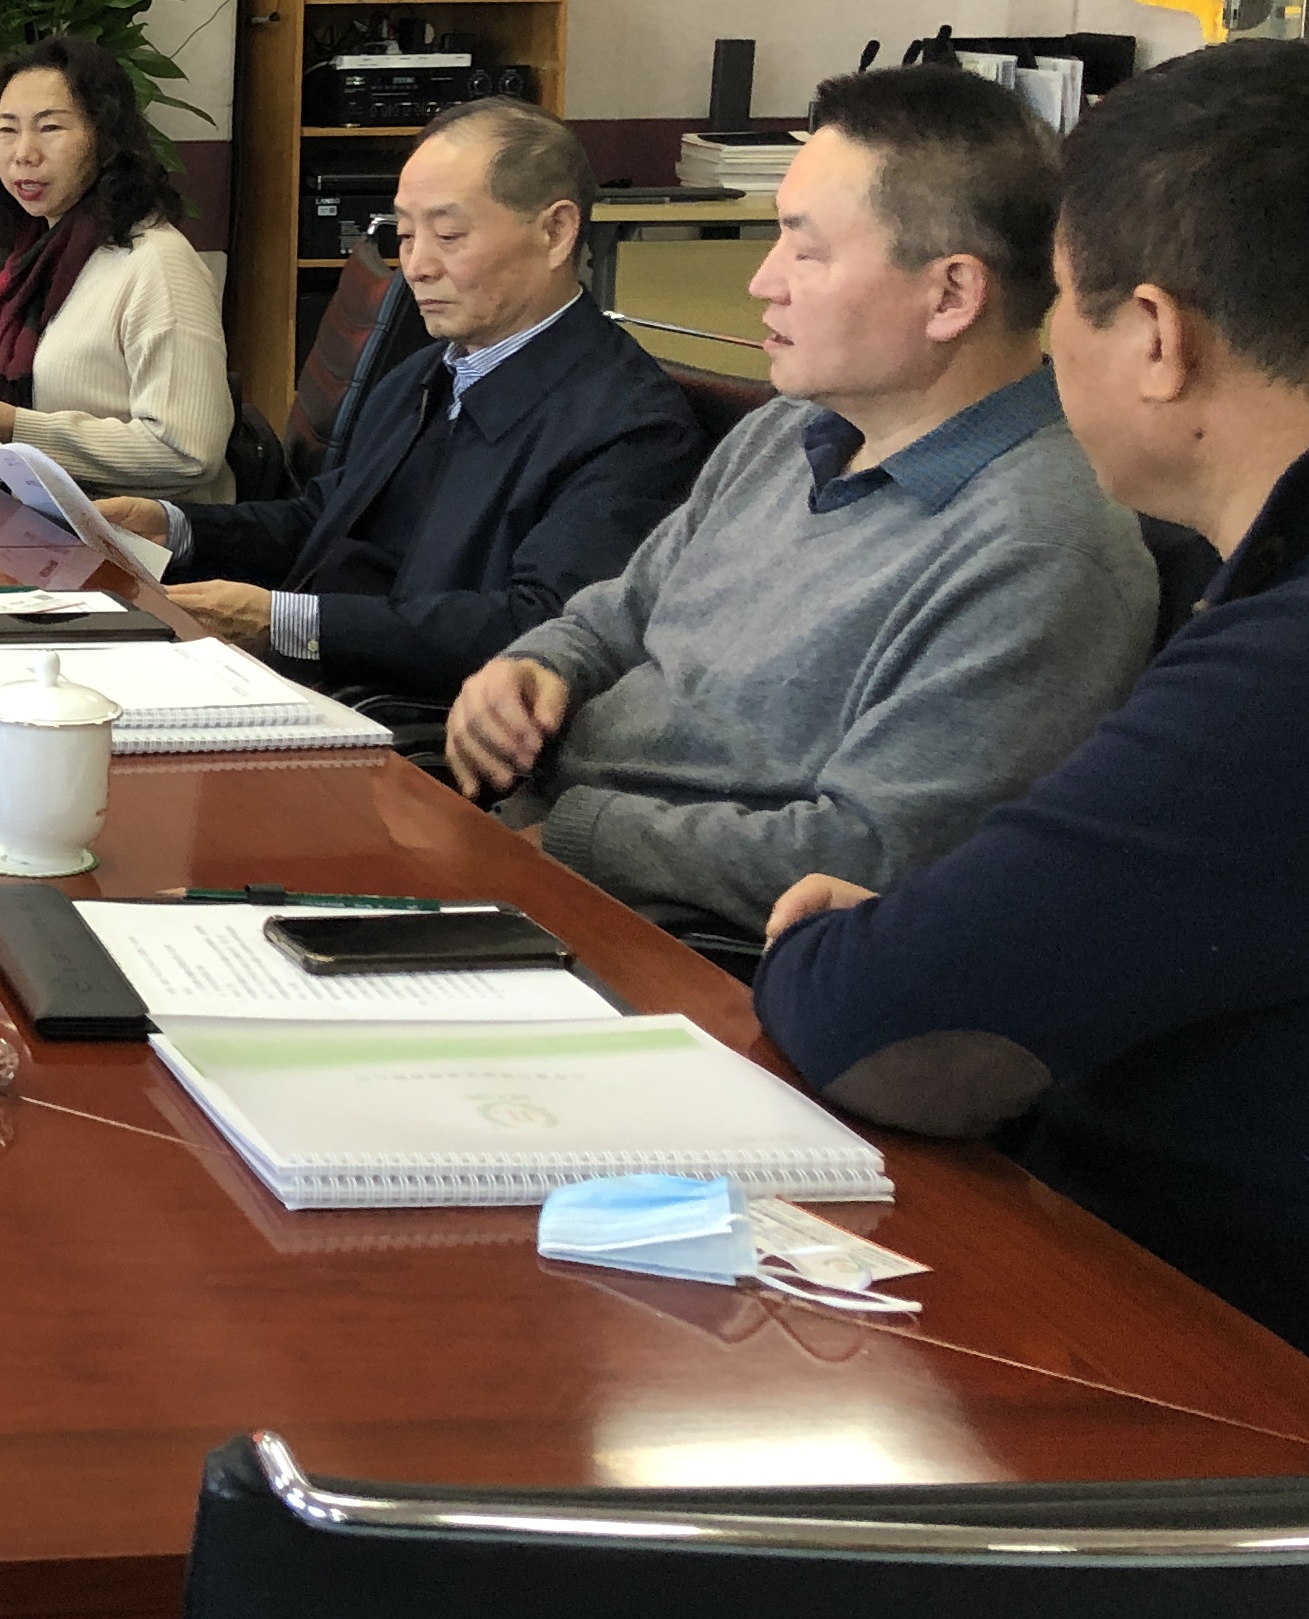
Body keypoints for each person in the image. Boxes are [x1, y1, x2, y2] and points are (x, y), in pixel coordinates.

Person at [756, 40, 1309, 1464]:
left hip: (1254, 1440)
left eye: (1062, 301)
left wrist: (851, 941)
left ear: (1160, 337)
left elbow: (878, 1019)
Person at [446, 68, 1153, 954]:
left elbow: (872, 852)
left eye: (805, 252)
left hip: (677, 942)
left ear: (951, 296)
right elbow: (620, 615)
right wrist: (537, 665)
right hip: (541, 849)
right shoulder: (790, 432)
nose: (764, 281)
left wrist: (585, 833)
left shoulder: (1040, 547)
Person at [98, 100, 702, 703]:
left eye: (449, 236)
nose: (416, 266)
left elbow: (544, 629)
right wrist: (174, 526)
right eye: (406, 236)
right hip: (314, 684)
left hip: (416, 719)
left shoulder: (632, 428)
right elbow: (324, 520)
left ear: (556, 232)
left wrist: (288, 624)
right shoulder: (427, 373)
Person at [0, 32, 234, 500]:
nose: (24, 153)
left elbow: (188, 452)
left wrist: (18, 428)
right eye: (7, 130)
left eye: (50, 128)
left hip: (132, 532)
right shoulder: (53, 251)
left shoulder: (157, 264)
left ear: (104, 140)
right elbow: (69, 392)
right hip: (51, 512)